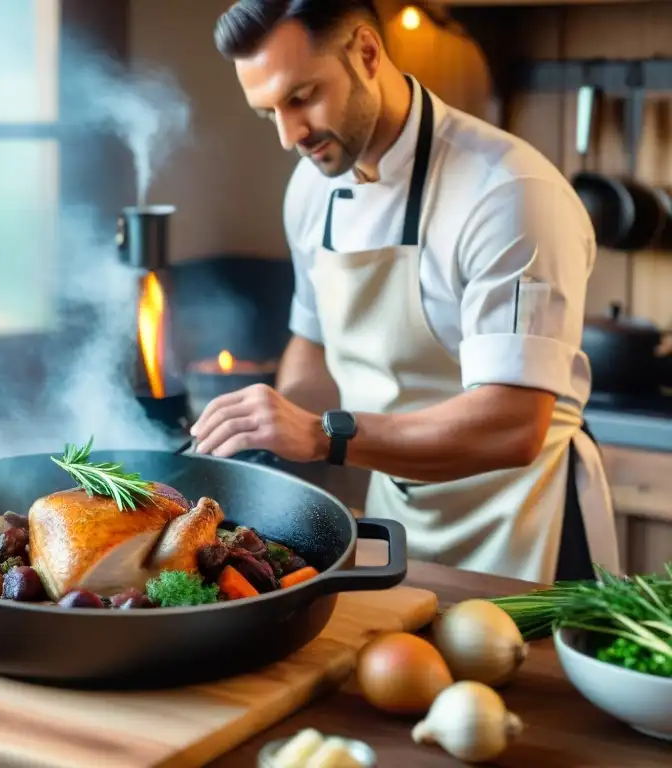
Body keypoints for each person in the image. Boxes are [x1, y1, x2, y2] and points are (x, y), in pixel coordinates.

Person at [190, 0, 620, 584]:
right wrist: (259, 443)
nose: (291, 135)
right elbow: (312, 353)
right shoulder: (312, 192)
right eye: (270, 112)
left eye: (302, 96)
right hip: (402, 520)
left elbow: (514, 424)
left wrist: (320, 435)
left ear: (367, 53)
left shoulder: (508, 192)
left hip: (527, 524)